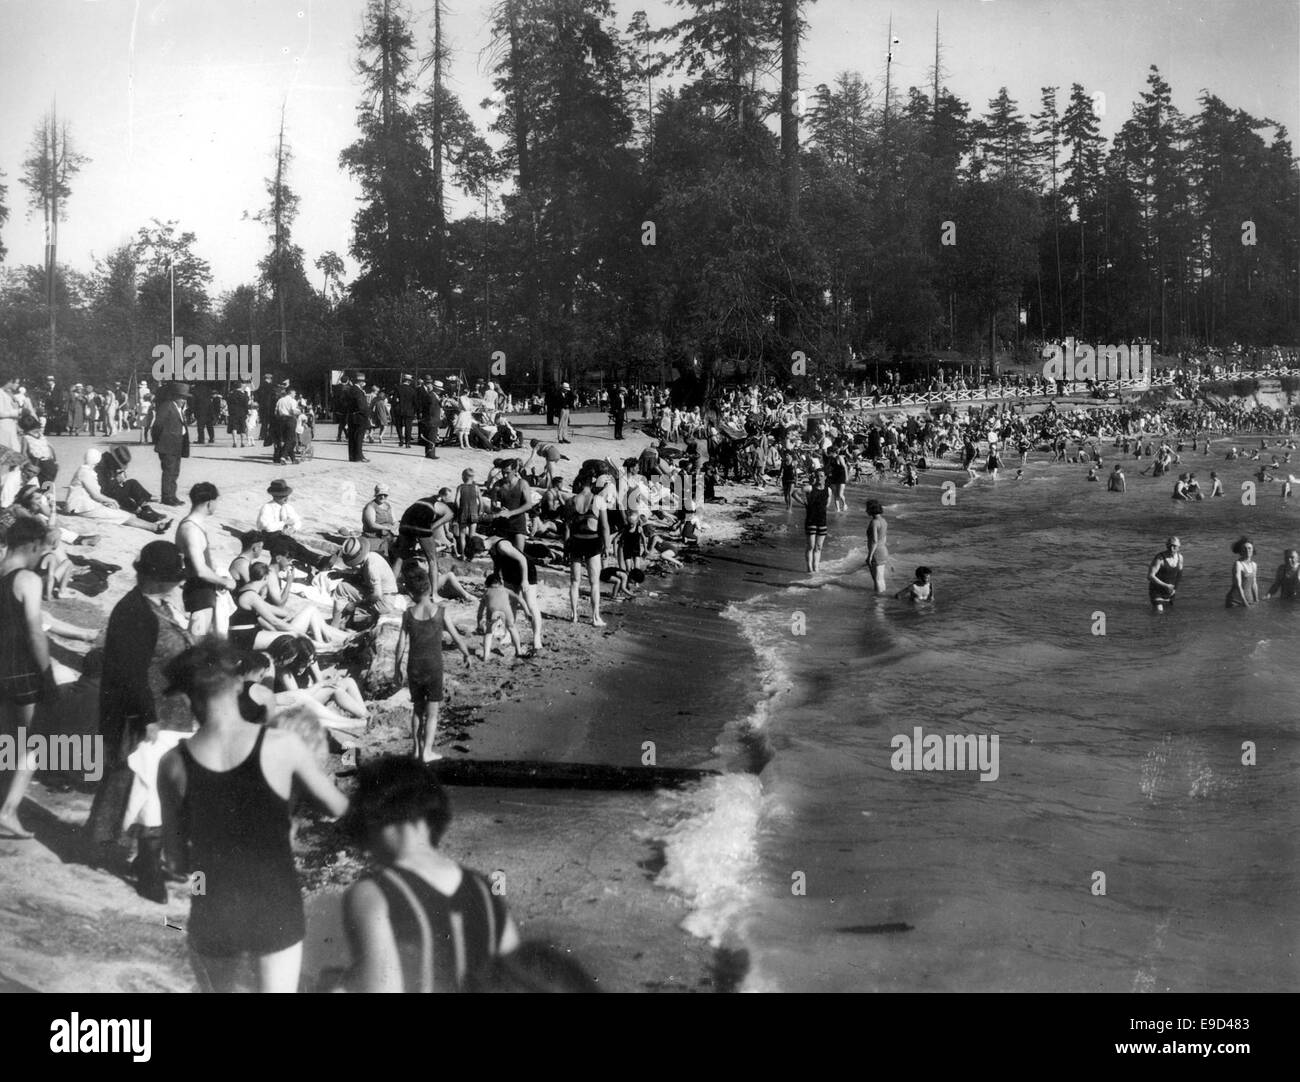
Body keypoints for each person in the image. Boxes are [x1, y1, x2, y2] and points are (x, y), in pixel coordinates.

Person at [157, 639, 349, 993]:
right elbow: (340, 809)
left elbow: (176, 860)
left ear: (186, 697)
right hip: (275, 904)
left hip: (213, 909)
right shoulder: (280, 746)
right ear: (237, 684)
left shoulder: (172, 765)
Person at [340, 756, 520, 992]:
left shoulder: (373, 893)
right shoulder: (484, 888)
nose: (365, 849)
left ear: (374, 817)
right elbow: (520, 976)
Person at [85, 540, 194, 899]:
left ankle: (147, 856)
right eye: (175, 578)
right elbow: (130, 674)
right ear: (159, 578)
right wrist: (147, 718)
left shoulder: (156, 606)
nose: (180, 583)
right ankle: (147, 867)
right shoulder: (134, 612)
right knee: (152, 791)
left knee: (160, 790)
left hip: (173, 715)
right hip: (151, 719)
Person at [0, 518, 56, 839]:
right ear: (33, 545)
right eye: (43, 549)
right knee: (36, 739)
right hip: (21, 670)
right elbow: (35, 632)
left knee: (8, 737)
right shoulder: (27, 579)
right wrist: (47, 675)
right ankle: (8, 810)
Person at [393, 566, 472, 762]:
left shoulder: (408, 614)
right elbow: (456, 636)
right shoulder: (441, 612)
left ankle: (416, 751)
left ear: (410, 592)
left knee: (417, 710)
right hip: (434, 668)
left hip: (414, 668)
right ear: (430, 588)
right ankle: (427, 752)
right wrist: (466, 654)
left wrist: (397, 668)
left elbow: (401, 644)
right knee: (433, 712)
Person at [177, 482, 237, 637]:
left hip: (202, 589)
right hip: (199, 591)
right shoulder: (191, 529)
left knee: (200, 640)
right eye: (216, 501)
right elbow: (200, 570)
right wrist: (224, 582)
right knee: (197, 641)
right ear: (210, 502)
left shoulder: (192, 525)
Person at [65, 449, 171, 533]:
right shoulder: (86, 473)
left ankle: (154, 525)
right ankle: (154, 527)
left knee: (121, 514)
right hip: (81, 507)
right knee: (122, 516)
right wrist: (111, 501)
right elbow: (96, 495)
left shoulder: (87, 470)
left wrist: (107, 500)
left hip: (87, 504)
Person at [480, 533, 544, 654]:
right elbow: (497, 563)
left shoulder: (502, 546)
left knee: (531, 604)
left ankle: (537, 639)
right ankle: (508, 634)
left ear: (482, 549)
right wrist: (495, 580)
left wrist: (524, 580)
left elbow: (522, 559)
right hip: (509, 572)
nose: (483, 557)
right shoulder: (488, 544)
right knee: (510, 605)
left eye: (479, 555)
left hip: (526, 570)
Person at [255, 479, 331, 569]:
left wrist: (293, 529)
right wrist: (284, 523)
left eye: (286, 496)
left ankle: (319, 560)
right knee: (288, 545)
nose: (286, 499)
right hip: (267, 537)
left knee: (294, 545)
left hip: (281, 535)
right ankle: (318, 560)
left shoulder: (287, 507)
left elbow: (297, 521)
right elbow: (267, 527)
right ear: (274, 496)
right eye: (282, 496)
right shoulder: (267, 507)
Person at [565, 475, 608, 627]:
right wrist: (607, 546)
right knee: (594, 582)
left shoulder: (570, 501)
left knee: (574, 581)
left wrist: (566, 546)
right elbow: (604, 527)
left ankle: (574, 615)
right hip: (592, 541)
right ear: (593, 484)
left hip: (576, 541)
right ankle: (595, 618)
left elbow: (568, 526)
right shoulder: (598, 500)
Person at [332, 536, 400, 629]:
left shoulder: (371, 568)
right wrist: (342, 575)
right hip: (388, 596)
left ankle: (334, 625)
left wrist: (356, 604)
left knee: (342, 588)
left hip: (384, 602)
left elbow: (377, 594)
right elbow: (361, 577)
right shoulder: (371, 556)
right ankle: (346, 621)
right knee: (349, 585)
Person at [152, 382, 191, 506]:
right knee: (168, 471)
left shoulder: (179, 409)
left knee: (175, 472)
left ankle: (173, 495)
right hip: (167, 445)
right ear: (175, 396)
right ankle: (167, 497)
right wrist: (160, 440)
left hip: (177, 444)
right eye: (181, 397)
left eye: (185, 398)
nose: (183, 400)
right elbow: (157, 425)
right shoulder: (167, 406)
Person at [794, 468, 830, 573]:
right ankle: (809, 568)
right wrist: (803, 503)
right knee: (811, 545)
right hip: (811, 520)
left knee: (819, 547)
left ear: (825, 477)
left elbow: (827, 504)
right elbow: (794, 493)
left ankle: (816, 568)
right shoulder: (810, 488)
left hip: (822, 520)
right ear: (815, 477)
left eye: (822, 476)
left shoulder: (828, 490)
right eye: (817, 476)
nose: (819, 478)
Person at [362, 483, 398, 559]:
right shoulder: (370, 507)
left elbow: (395, 521)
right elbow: (372, 524)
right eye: (380, 495)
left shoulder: (388, 506)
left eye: (385, 495)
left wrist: (395, 526)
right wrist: (387, 528)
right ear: (376, 495)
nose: (382, 497)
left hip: (388, 535)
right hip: (374, 536)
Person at [340, 372, 370, 463]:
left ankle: (352, 456)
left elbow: (344, 403)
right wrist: (367, 414)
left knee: (352, 437)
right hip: (360, 416)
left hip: (351, 416)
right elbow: (361, 405)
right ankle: (359, 456)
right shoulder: (358, 391)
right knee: (359, 437)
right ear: (360, 382)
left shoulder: (349, 390)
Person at [1148, 536, 1183, 611]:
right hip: (1157, 590)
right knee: (1159, 612)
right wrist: (1166, 585)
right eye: (1170, 546)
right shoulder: (1160, 558)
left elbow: (1179, 574)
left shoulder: (1180, 558)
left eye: (1174, 546)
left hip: (1169, 591)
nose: (1171, 548)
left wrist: (1175, 589)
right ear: (1167, 546)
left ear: (1179, 547)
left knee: (1169, 614)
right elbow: (1150, 576)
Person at [454, 468, 481, 559]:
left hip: (463, 512)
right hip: (474, 513)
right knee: (472, 536)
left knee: (462, 534)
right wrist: (479, 512)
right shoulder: (476, 487)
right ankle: (471, 555)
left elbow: (456, 501)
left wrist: (459, 510)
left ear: (463, 477)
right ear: (473, 477)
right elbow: (481, 502)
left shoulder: (460, 487)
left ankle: (462, 555)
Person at [272, 380, 301, 464]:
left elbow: (276, 412)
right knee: (291, 440)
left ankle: (293, 459)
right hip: (290, 420)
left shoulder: (280, 400)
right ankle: (283, 457)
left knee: (286, 439)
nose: (295, 395)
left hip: (280, 420)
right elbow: (293, 411)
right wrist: (300, 411)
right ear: (291, 392)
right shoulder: (292, 401)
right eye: (294, 393)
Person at [1225, 537, 1259, 608]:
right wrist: (1245, 603)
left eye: (1249, 548)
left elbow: (1254, 584)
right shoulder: (1238, 564)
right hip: (1235, 600)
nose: (1247, 550)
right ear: (1240, 551)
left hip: (1249, 599)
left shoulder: (1254, 565)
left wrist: (1256, 600)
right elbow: (1238, 586)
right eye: (1244, 549)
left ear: (1253, 550)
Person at [865, 499, 889, 593]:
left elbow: (875, 540)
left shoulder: (874, 522)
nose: (866, 510)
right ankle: (881, 597)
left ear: (871, 509)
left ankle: (878, 601)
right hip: (883, 550)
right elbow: (884, 538)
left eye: (867, 508)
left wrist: (869, 556)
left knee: (877, 579)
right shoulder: (884, 521)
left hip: (877, 552)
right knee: (880, 578)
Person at [415, 376, 439, 459]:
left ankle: (430, 452)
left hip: (431, 418)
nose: (429, 384)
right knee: (431, 435)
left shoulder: (433, 395)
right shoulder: (431, 396)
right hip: (432, 418)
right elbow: (430, 408)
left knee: (431, 435)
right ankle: (430, 453)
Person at [392, 374, 417, 448]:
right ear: (409, 381)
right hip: (409, 411)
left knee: (399, 426)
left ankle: (401, 440)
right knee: (408, 426)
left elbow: (394, 400)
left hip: (399, 410)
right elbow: (415, 402)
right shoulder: (412, 390)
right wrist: (414, 411)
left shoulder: (398, 388)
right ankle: (408, 442)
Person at [227, 381, 251, 448]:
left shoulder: (231, 394)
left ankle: (235, 442)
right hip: (242, 413)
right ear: (240, 386)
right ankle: (242, 442)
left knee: (234, 427)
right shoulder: (244, 394)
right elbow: (246, 404)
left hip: (233, 413)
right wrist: (247, 412)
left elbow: (228, 403)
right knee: (242, 427)